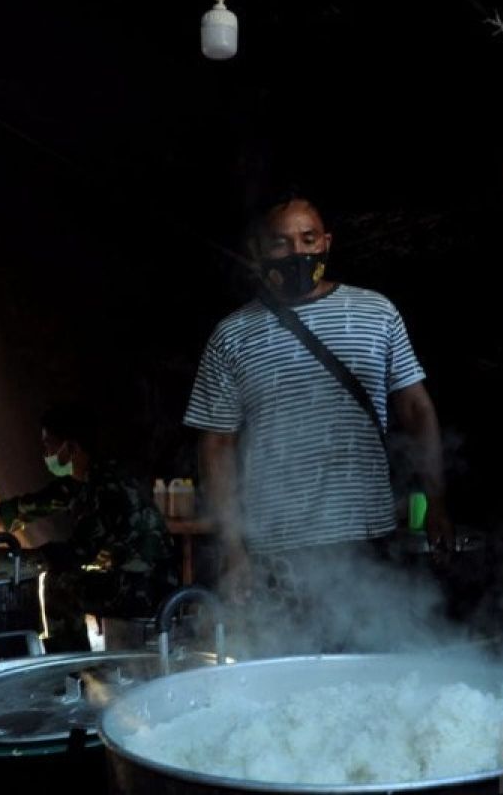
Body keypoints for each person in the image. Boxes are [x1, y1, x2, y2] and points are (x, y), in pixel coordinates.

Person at [184, 193, 451, 652]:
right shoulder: (231, 336)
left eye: (309, 239)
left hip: (369, 540)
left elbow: (417, 410)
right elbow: (217, 447)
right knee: (291, 680)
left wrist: (438, 503)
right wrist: (233, 550)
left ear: (327, 242)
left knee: (373, 671)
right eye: (281, 244)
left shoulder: (377, 312)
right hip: (276, 552)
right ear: (257, 251)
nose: (298, 254)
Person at [0, 406, 177, 652]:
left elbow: (77, 553)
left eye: (49, 445)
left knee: (61, 583)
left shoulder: (106, 486)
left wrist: (13, 557)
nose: (46, 453)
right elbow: (17, 511)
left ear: (71, 447)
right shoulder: (79, 484)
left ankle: (71, 668)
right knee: (61, 577)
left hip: (147, 586)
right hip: (131, 579)